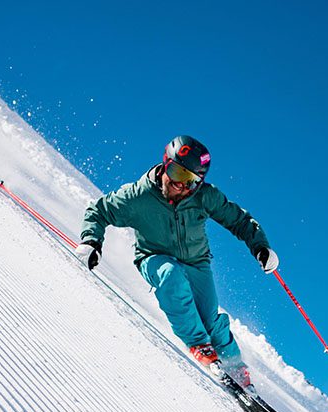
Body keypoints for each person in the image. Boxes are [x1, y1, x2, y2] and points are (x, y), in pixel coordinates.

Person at [74, 135, 278, 388]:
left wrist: (260, 246)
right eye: (177, 173)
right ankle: (199, 345)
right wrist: (91, 241)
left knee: (212, 321)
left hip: (197, 262)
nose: (182, 186)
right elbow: (99, 210)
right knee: (171, 276)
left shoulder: (204, 196)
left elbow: (238, 220)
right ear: (165, 164)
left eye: (192, 181)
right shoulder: (139, 196)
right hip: (153, 257)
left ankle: (237, 371)